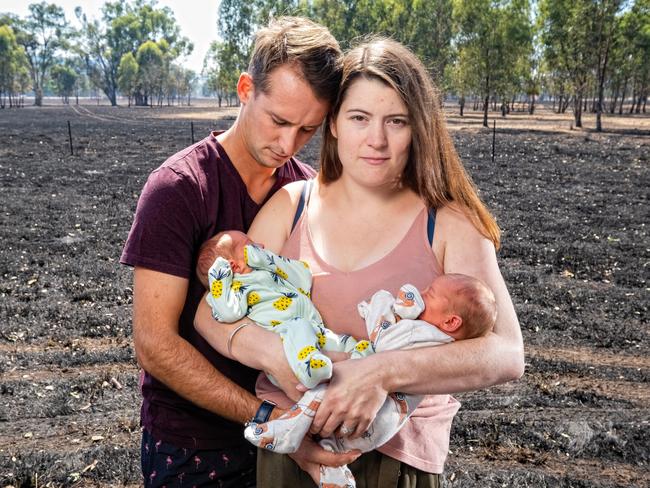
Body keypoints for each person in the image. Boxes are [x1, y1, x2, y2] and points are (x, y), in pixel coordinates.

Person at [195, 37, 524, 487]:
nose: (377, 140)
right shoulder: (291, 205)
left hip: (396, 461)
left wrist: (379, 374)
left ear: (419, 128)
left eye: (397, 121)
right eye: (359, 118)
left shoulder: (447, 222)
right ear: (333, 125)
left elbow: (506, 353)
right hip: (292, 455)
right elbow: (209, 315)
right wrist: (283, 359)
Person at [120, 16, 358, 487]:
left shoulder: (308, 191)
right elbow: (154, 345)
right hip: (193, 445)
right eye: (279, 121)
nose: (288, 145)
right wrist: (269, 416)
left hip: (286, 438)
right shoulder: (180, 188)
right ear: (246, 88)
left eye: (308, 130)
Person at [244, 273, 497, 487]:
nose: (421, 293)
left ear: (450, 321)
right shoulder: (443, 341)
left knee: (324, 389)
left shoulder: (423, 332)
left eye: (429, 294)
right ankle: (332, 472)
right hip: (379, 423)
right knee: (333, 442)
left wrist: (385, 304)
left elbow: (384, 340)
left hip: (370, 416)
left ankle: (286, 430)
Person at [195, 230, 360, 389]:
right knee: (300, 326)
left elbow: (303, 275)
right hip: (286, 340)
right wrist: (220, 276)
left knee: (343, 342)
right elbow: (227, 313)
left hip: (312, 332)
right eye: (251, 245)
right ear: (234, 266)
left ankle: (361, 357)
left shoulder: (269, 272)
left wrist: (266, 259)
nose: (261, 245)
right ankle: (309, 368)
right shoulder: (236, 289)